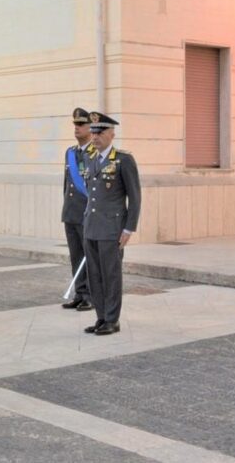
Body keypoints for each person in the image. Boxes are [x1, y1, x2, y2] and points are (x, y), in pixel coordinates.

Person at [81, 112, 141, 336]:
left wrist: (128, 228)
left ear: (112, 134)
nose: (95, 136)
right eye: (93, 131)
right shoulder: (91, 158)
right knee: (94, 275)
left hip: (112, 229)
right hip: (92, 227)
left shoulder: (123, 160)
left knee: (111, 275)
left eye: (100, 132)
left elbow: (134, 197)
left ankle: (112, 320)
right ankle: (101, 316)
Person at [61, 107, 95, 311]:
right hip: (72, 213)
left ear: (91, 127)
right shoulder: (70, 153)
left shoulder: (96, 153)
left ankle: (91, 295)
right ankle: (80, 293)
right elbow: (67, 185)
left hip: (88, 213)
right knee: (75, 256)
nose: (77, 128)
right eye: (75, 124)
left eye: (81, 124)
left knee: (89, 256)